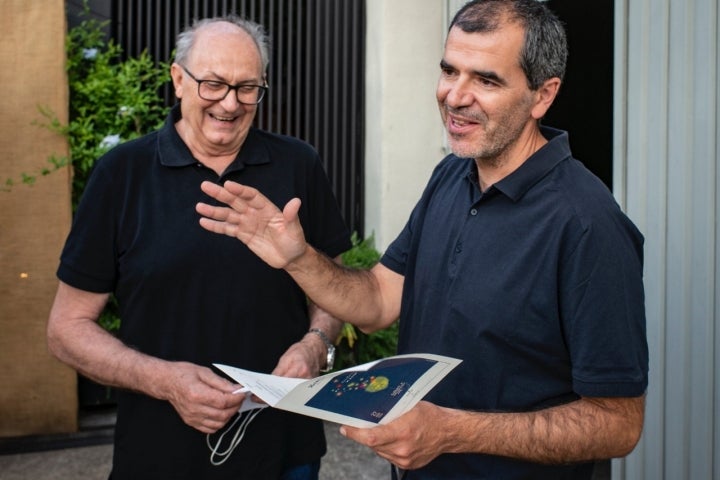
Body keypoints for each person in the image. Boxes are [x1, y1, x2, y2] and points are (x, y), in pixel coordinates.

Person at [194, 1, 649, 479]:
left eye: (486, 80)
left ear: (543, 95)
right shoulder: (451, 177)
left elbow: (618, 423)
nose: (455, 96)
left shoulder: (588, 225)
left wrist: (451, 431)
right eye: (449, 70)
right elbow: (377, 302)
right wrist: (299, 259)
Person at [46, 15, 351, 480]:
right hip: (158, 453)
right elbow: (66, 329)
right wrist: (165, 381)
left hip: (285, 449)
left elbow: (336, 287)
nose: (230, 103)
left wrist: (316, 343)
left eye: (247, 88)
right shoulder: (120, 175)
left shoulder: (299, 164)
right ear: (178, 80)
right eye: (213, 84)